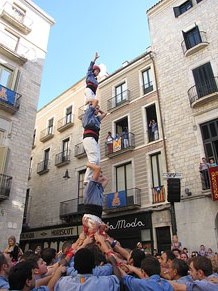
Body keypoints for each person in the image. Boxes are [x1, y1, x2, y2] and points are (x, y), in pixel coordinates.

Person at [54, 248, 120, 291]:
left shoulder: (62, 283)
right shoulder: (106, 282)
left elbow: (62, 265)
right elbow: (119, 281)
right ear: (94, 265)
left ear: (74, 266)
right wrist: (113, 263)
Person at [82, 99, 107, 184]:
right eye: (96, 108)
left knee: (97, 161)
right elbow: (96, 100)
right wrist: (90, 102)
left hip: (94, 141)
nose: (97, 110)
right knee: (94, 159)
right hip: (89, 138)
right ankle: (87, 179)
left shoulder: (96, 119)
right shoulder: (88, 113)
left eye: (98, 108)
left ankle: (92, 178)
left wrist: (98, 109)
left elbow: (104, 114)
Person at [82, 162, 109, 236]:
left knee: (101, 237)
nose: (101, 178)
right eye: (99, 176)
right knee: (96, 237)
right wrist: (88, 164)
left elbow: (106, 179)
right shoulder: (90, 186)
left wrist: (100, 175)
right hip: (90, 216)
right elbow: (97, 169)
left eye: (100, 176)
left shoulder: (99, 188)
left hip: (97, 216)